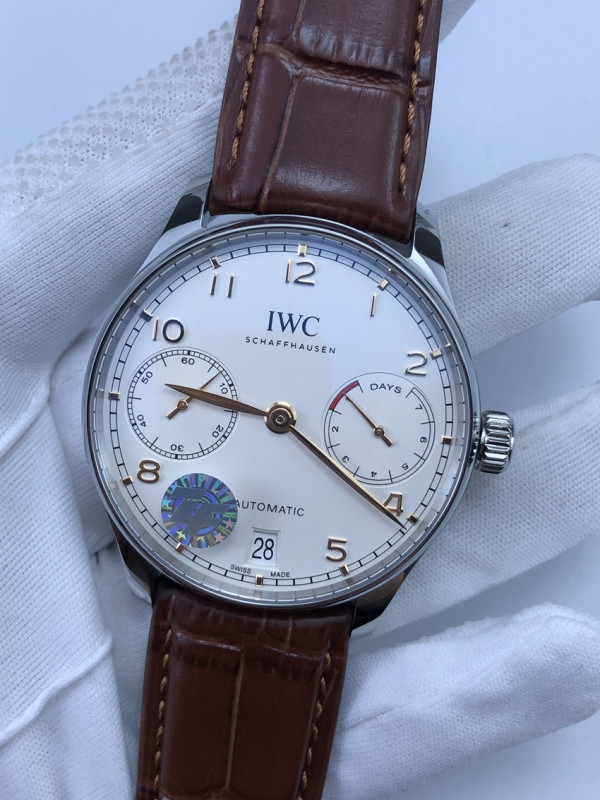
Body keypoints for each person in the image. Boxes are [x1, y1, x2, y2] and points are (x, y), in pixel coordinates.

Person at [1, 2, 599, 797]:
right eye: (276, 415)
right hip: (214, 559)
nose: (282, 417)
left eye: (283, 416)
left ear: (477, 439)